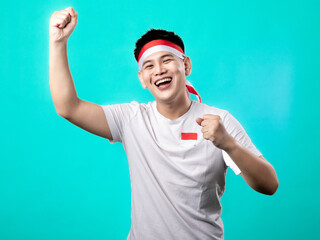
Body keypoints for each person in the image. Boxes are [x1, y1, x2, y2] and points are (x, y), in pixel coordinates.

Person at [49, 7, 279, 240]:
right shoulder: (131, 119)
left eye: (166, 60)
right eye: (148, 65)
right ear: (142, 79)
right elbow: (68, 107)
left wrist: (229, 144)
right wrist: (58, 42)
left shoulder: (220, 121)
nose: (158, 70)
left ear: (186, 66)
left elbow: (269, 184)